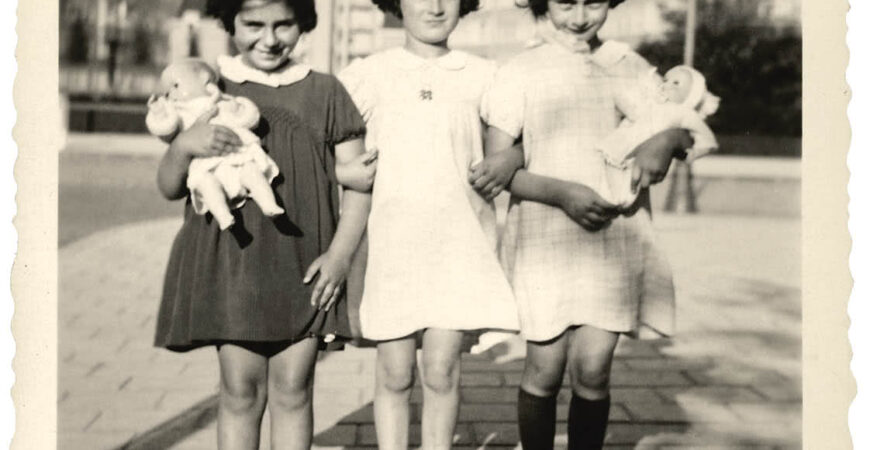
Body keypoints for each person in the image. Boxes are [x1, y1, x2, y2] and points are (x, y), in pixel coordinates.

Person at [473, 0, 695, 448]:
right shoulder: (520, 70)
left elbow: (683, 125)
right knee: (544, 369)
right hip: (545, 236)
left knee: (594, 370)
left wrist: (667, 142)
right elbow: (496, 171)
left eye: (592, 2)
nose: (578, 16)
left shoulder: (626, 64)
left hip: (612, 239)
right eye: (564, 3)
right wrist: (565, 193)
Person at [153, 0, 370, 448]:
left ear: (303, 23)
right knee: (240, 392)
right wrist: (184, 146)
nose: (269, 39)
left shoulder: (326, 91)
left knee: (294, 390)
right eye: (253, 25)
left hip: (308, 267)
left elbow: (360, 183)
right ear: (229, 21)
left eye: (283, 24)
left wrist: (341, 256)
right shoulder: (207, 85)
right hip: (234, 265)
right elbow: (170, 187)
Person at [337, 0, 519, 446]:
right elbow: (333, 150)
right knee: (395, 373)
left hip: (458, 246)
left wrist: (510, 159)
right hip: (391, 247)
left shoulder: (484, 75)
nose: (435, 7)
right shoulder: (368, 74)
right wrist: (341, 173)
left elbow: (514, 146)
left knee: (441, 369)